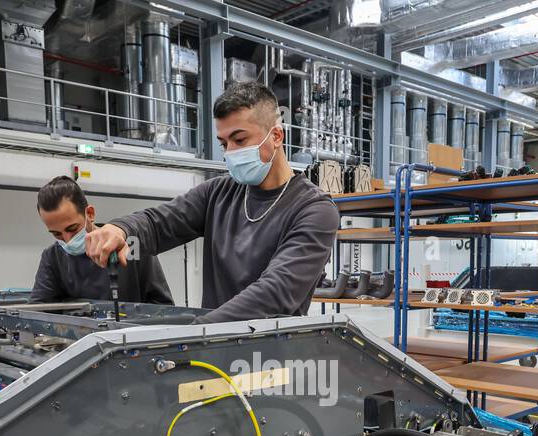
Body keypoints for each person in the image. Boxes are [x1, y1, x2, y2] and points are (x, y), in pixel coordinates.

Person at [83, 82, 339, 323]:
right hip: (213, 347)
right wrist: (121, 229)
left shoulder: (314, 210)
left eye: (239, 140)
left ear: (276, 136)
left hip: (272, 356)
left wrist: (198, 331)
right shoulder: (218, 193)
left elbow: (275, 293)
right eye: (224, 143)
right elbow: (159, 224)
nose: (230, 152)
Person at [30, 175, 172, 305]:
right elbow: (38, 311)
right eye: (57, 234)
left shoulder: (131, 246)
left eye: (72, 229)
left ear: (90, 214)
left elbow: (162, 307)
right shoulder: (53, 257)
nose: (67, 240)